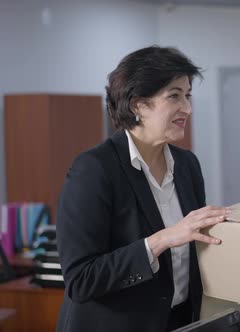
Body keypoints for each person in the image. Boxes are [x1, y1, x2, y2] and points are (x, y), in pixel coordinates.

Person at [56, 46, 229, 332]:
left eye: (187, 95)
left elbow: (191, 254)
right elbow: (81, 279)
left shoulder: (187, 165)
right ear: (138, 105)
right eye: (174, 96)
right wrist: (161, 239)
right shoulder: (94, 169)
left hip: (177, 322)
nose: (187, 108)